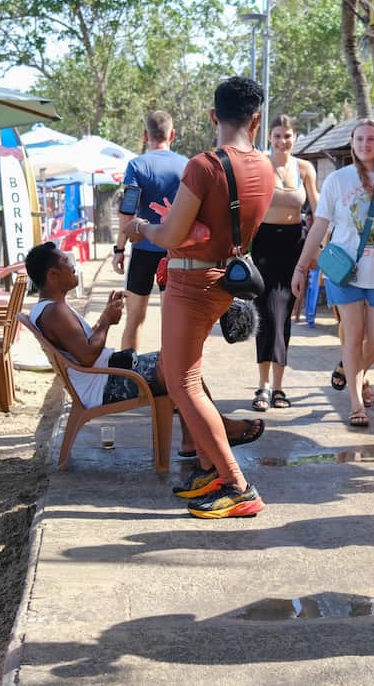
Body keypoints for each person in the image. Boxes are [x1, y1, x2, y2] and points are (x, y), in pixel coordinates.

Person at [121, 76, 274, 519]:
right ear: (257, 119)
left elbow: (170, 234)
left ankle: (237, 485)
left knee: (183, 384)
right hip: (223, 278)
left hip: (190, 283)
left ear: (213, 116)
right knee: (175, 369)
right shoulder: (264, 167)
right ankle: (210, 464)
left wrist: (143, 228)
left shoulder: (204, 166)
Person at [292, 120, 374, 427]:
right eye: (359, 139)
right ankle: (356, 404)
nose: (365, 144)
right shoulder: (338, 180)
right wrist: (302, 266)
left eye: (371, 139)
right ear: (352, 142)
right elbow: (321, 225)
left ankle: (347, 371)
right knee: (353, 336)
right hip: (344, 271)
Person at [25, 243, 165, 408]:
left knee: (175, 362)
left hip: (105, 376)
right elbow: (87, 356)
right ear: (53, 275)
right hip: (104, 386)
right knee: (178, 371)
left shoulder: (50, 308)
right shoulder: (54, 312)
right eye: (66, 261)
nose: (73, 267)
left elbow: (81, 342)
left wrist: (106, 314)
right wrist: (106, 320)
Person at [250, 116, 319, 411]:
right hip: (263, 244)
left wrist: (317, 250)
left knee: (283, 314)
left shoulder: (304, 168)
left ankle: (278, 387)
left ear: (295, 137)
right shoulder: (259, 165)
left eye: (287, 136)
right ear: (269, 138)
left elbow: (319, 210)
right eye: (277, 136)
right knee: (265, 314)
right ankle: (263, 385)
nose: (282, 141)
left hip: (294, 246)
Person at [113, 111, 189, 351]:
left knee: (134, 320)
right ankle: (171, 377)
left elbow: (128, 211)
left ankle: (128, 376)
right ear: (172, 135)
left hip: (143, 250)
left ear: (146, 135)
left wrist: (119, 248)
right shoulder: (187, 165)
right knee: (173, 323)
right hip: (175, 253)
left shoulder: (136, 165)